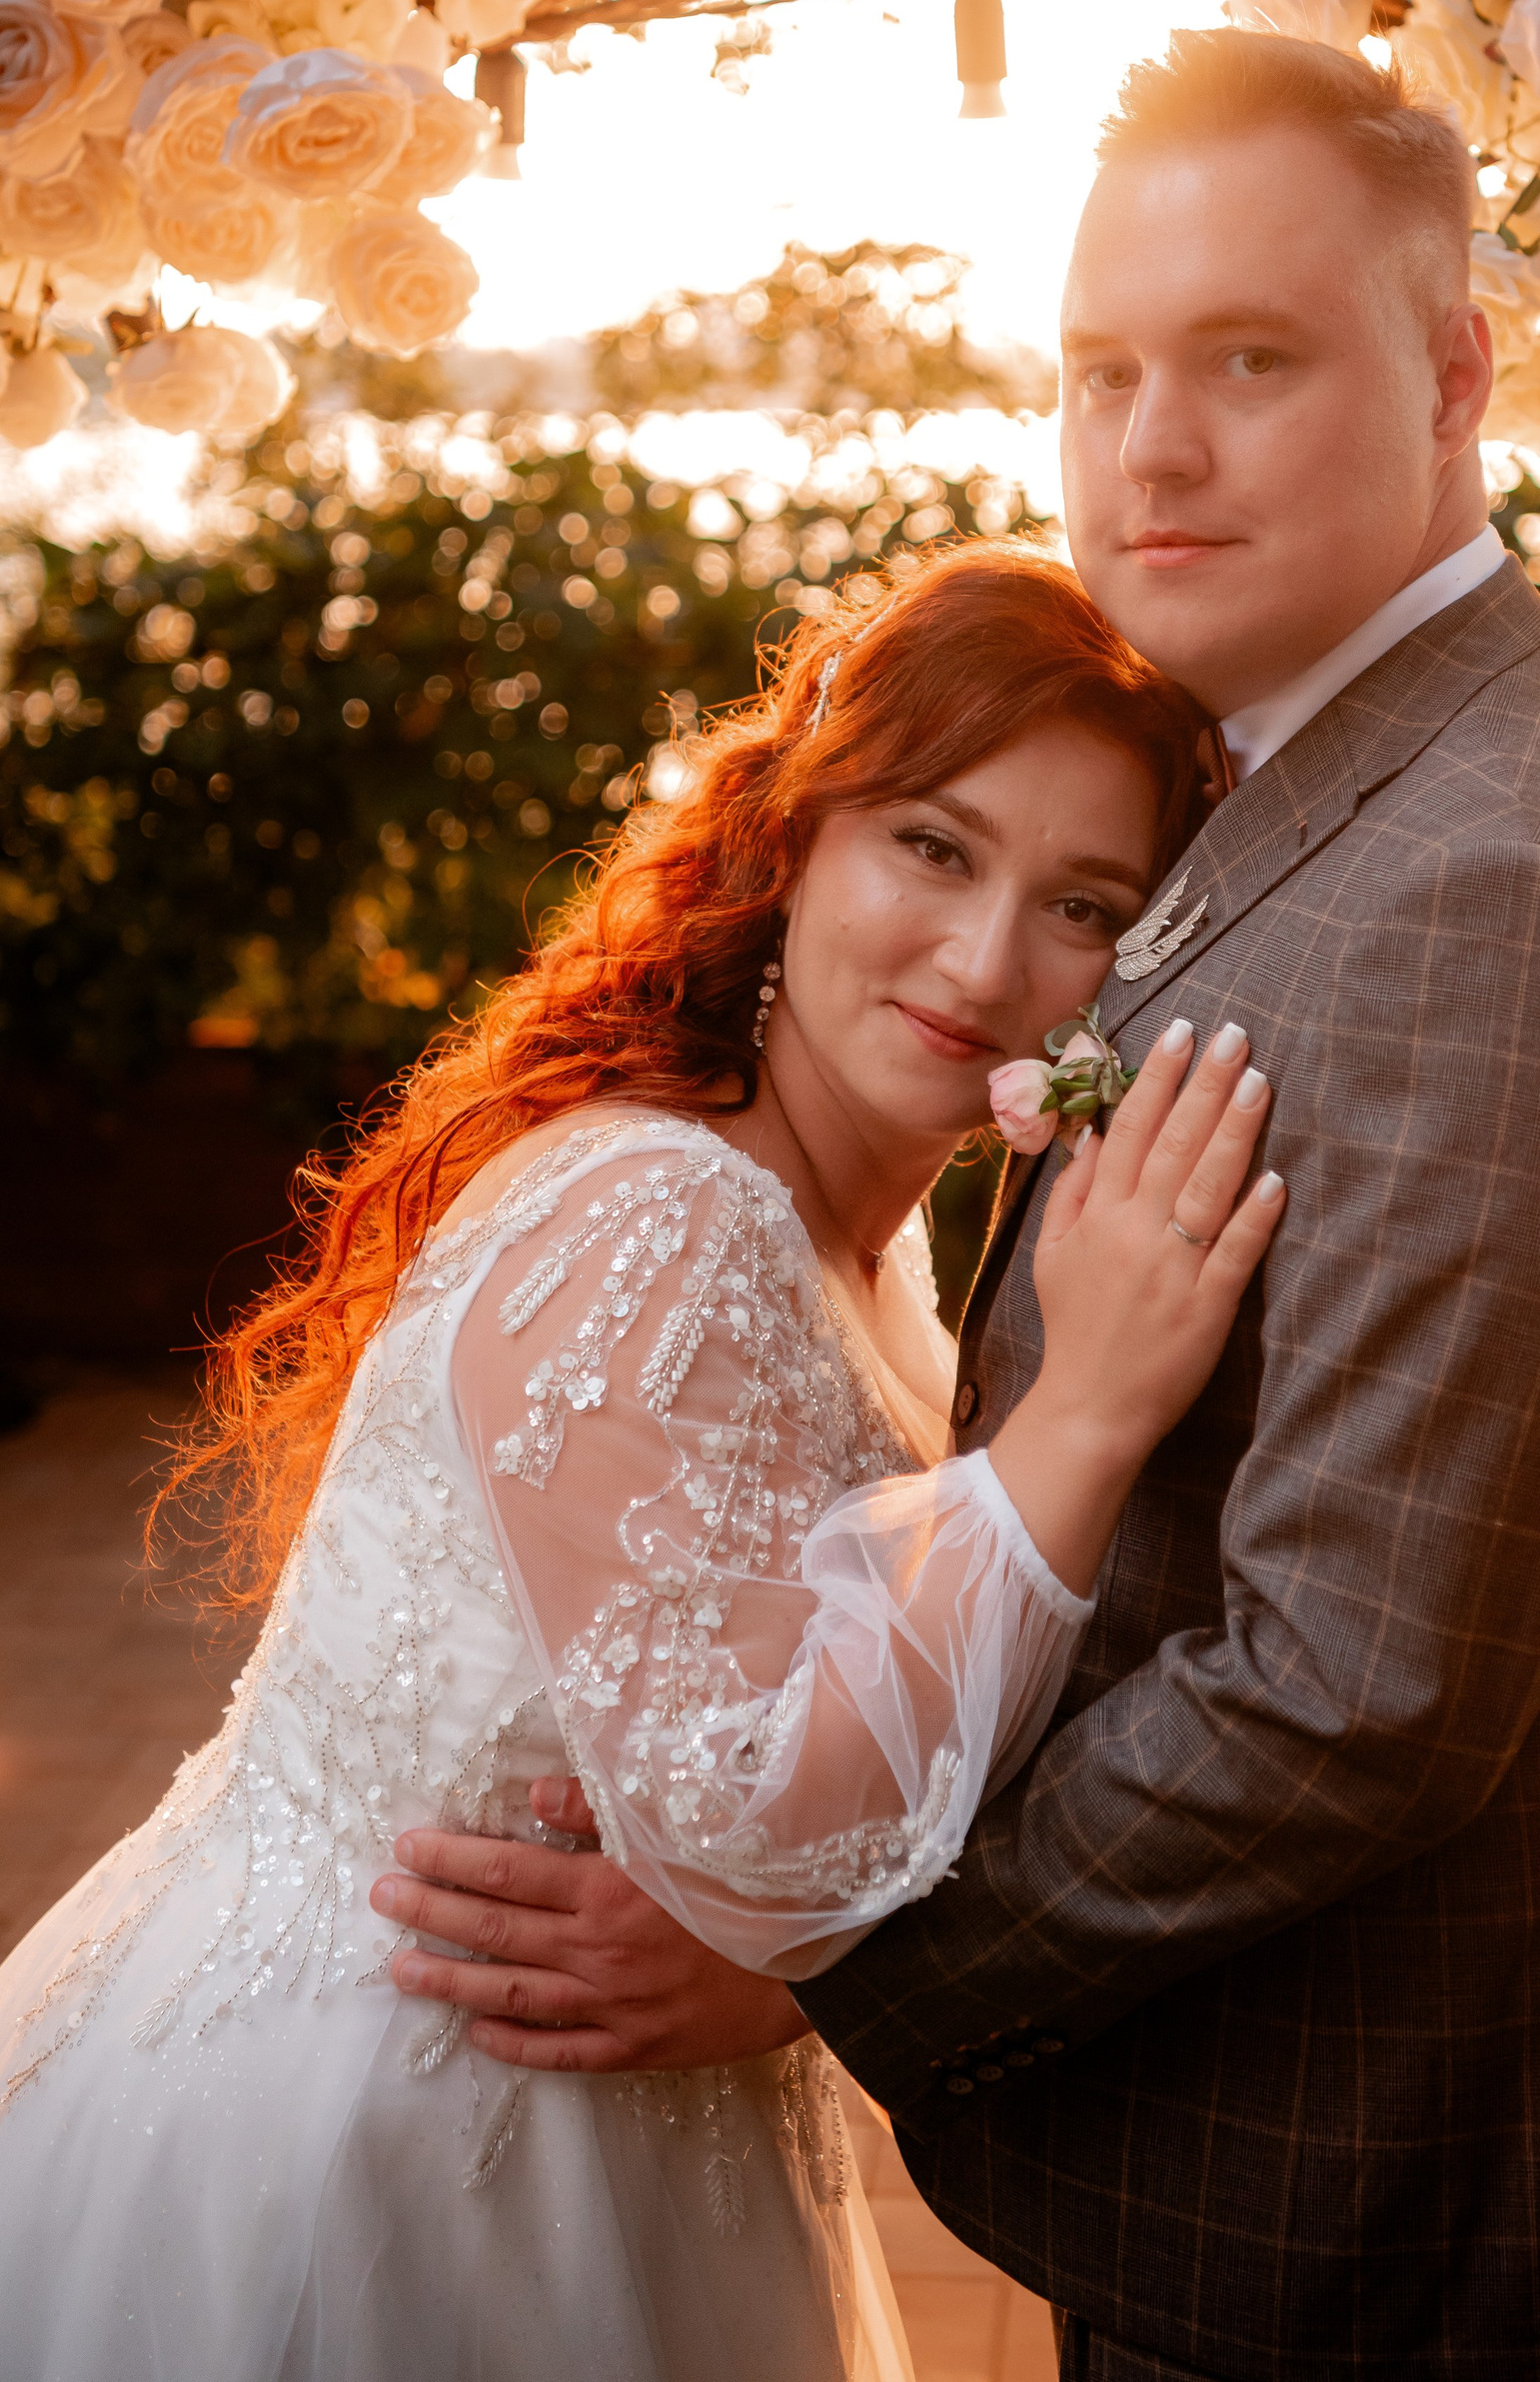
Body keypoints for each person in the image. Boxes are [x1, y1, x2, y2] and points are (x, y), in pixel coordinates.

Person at [381, 33, 1540, 2382]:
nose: (1151, 448)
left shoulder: (1506, 892)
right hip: (1281, 2168)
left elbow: (1349, 1691)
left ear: (1457, 377)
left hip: (1395, 2223)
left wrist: (825, 1963)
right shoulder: (1336, 770)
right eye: (1103, 368)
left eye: (1250, 359)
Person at [0, 544, 1288, 2381]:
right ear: (797, 837)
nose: (987, 961)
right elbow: (756, 1849)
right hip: (374, 2150)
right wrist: (1087, 1416)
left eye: (1083, 904)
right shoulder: (663, 1216)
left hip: (616, 2144)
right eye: (933, 847)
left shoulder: (873, 1250)